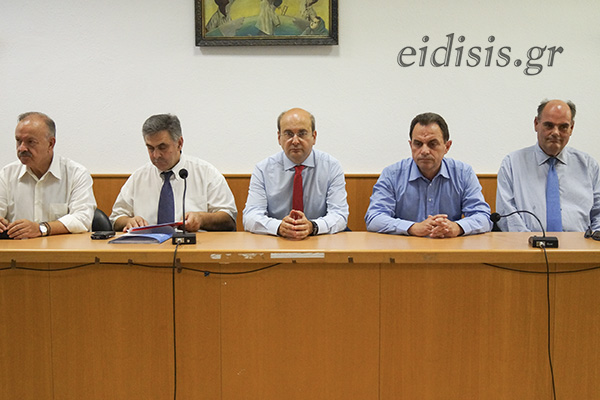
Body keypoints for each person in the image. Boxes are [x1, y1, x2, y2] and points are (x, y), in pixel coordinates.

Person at [365, 112, 492, 238]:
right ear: (411, 145)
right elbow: (374, 217)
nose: (424, 151)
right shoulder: (392, 175)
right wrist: (412, 228)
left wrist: (457, 227)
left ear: (447, 146)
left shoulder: (463, 173)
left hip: (449, 247)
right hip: (405, 248)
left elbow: (483, 217)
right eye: (418, 144)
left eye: (432, 144)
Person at [110, 114, 237, 232]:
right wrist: (129, 221)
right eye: (150, 148)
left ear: (179, 143)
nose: (156, 155)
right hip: (148, 246)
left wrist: (202, 219)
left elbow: (228, 218)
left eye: (162, 147)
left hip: (195, 245)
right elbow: (116, 219)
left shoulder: (206, 173)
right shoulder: (138, 177)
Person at [243, 107, 349, 240]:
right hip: (277, 240)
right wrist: (278, 227)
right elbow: (250, 216)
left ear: (314, 137)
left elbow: (339, 215)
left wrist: (313, 226)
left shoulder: (331, 166)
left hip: (319, 239)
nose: (295, 141)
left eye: (302, 133)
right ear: (279, 138)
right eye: (288, 134)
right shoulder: (263, 169)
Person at [496, 99, 600, 232]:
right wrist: (529, 242)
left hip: (580, 243)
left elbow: (598, 214)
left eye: (563, 127)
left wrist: (594, 240)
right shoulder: (512, 164)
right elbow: (506, 214)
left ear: (571, 128)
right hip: (526, 243)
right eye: (549, 125)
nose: (555, 132)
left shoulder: (589, 166)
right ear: (536, 124)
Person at [0, 112, 96, 239]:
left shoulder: (76, 174)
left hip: (62, 250)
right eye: (18, 141)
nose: (22, 148)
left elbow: (82, 219)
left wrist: (42, 229)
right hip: (18, 250)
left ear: (51, 144)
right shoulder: (7, 174)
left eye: (30, 142)